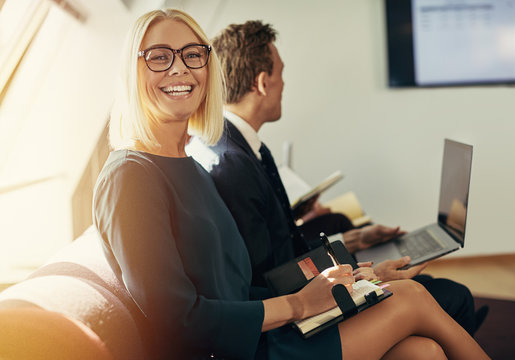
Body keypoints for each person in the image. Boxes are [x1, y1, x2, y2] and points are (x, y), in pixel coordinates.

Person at [93, 8, 490, 359]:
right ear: (133, 70)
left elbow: (235, 290)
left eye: (192, 54)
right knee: (412, 298)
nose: (179, 69)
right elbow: (177, 320)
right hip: (228, 350)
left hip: (255, 334)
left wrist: (346, 285)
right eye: (159, 57)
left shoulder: (189, 165)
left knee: (423, 352)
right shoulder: (131, 176)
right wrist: (298, 305)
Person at [188, 20, 483, 335]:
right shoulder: (235, 164)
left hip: (301, 289)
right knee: (454, 296)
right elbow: (269, 278)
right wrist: (364, 275)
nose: (284, 84)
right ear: (262, 82)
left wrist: (354, 246)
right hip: (297, 312)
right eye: (281, 73)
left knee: (434, 290)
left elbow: (277, 247)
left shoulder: (228, 143)